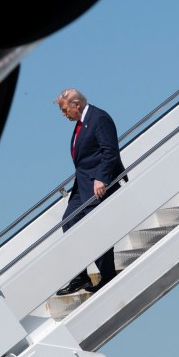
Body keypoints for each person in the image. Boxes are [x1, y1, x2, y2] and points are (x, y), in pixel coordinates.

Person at [54, 87, 125, 295]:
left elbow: (110, 151)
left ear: (77, 105)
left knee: (96, 229)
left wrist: (102, 178)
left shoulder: (99, 118)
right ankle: (80, 275)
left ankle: (108, 274)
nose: (63, 114)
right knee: (69, 222)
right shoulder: (81, 124)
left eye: (65, 109)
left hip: (97, 185)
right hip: (81, 185)